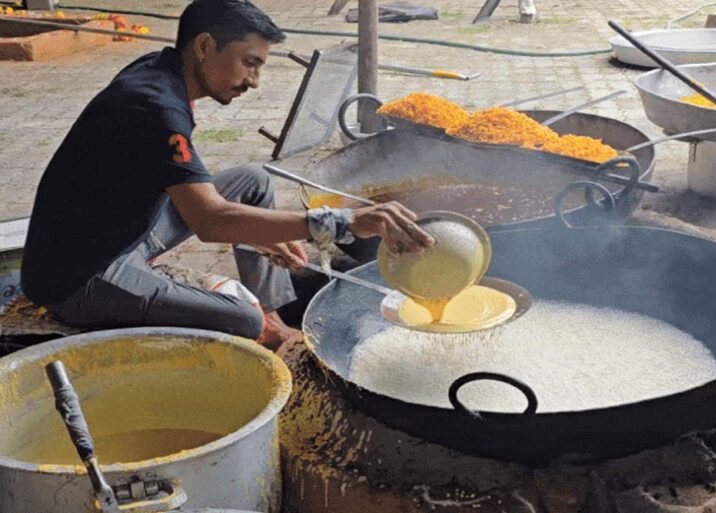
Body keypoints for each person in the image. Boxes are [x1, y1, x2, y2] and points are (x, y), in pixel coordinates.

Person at [21, 0, 433, 347]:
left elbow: (200, 199)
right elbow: (211, 222)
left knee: (252, 180)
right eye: (249, 63)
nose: (253, 81)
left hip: (121, 232)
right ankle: (261, 325)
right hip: (81, 275)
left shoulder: (162, 71)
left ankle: (274, 315)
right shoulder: (153, 107)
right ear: (204, 46)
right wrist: (343, 223)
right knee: (242, 319)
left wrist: (264, 232)